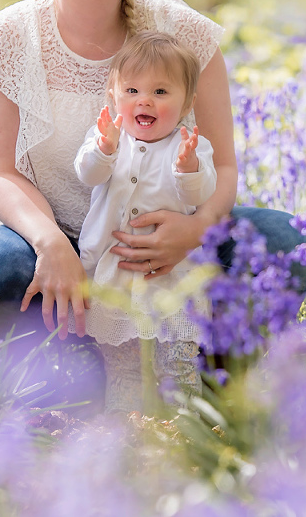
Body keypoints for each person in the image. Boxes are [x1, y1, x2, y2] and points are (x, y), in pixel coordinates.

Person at [0, 0, 306, 406]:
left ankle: (221, 393)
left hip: (166, 232)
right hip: (55, 235)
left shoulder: (184, 32)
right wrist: (51, 243)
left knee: (285, 240)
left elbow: (227, 167)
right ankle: (65, 396)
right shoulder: (4, 41)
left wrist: (196, 231)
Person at [75, 31, 215, 412]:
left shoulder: (189, 146)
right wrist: (103, 148)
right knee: (124, 370)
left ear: (187, 102)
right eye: (133, 90)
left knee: (178, 367)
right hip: (117, 277)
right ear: (113, 93)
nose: (145, 101)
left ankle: (184, 435)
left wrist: (189, 170)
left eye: (160, 92)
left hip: (171, 281)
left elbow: (199, 195)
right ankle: (128, 437)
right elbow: (88, 173)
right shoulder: (107, 138)